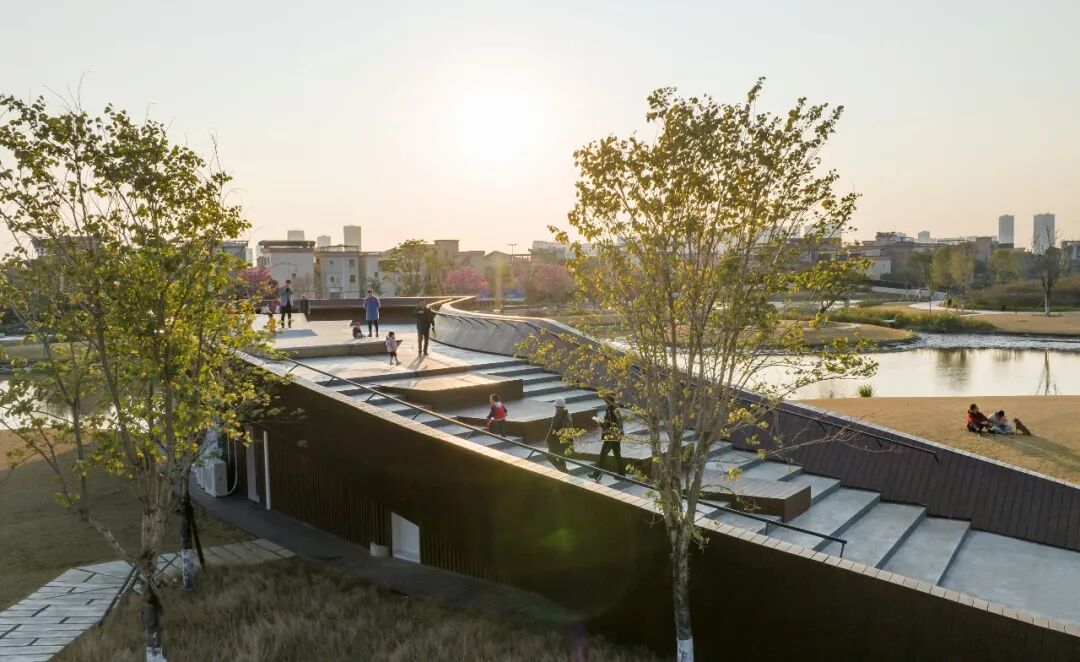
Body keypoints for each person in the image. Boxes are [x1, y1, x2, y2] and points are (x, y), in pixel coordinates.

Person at [590, 398, 624, 480]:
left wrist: (600, 422)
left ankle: (596, 474)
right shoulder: (616, 409)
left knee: (603, 455)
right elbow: (619, 422)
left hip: (610, 436)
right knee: (617, 455)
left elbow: (609, 425)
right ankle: (621, 474)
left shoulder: (609, 410)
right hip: (616, 435)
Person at [546, 398, 573, 473]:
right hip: (567, 441)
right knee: (561, 458)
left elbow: (552, 430)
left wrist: (547, 440)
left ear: (557, 407)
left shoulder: (557, 417)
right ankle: (564, 471)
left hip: (559, 442)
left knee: (549, 456)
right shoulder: (568, 415)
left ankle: (564, 471)